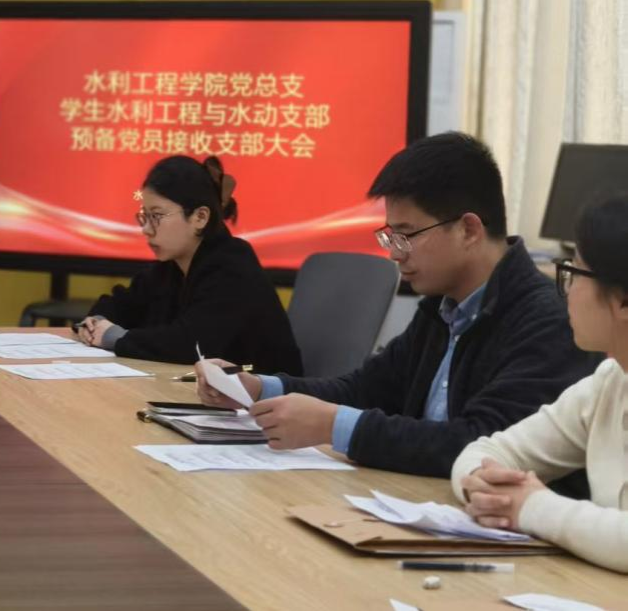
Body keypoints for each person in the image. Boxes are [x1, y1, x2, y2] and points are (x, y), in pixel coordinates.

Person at [196, 132, 597, 477]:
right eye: (390, 236)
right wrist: (259, 388)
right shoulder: (441, 308)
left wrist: (335, 426)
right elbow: (365, 389)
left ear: (469, 229)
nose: (394, 253)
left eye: (407, 234)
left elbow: (482, 443)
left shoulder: (547, 320)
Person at [451, 194, 628, 572]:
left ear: (624, 301)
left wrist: (532, 507)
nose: (566, 290)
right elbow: (486, 450)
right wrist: (481, 484)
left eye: (574, 273)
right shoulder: (609, 383)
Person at [76, 155, 303, 371]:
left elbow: (190, 344)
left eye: (157, 216)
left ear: (200, 217)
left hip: (259, 391)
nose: (146, 229)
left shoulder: (232, 266)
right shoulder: (171, 265)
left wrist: (116, 338)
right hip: (201, 388)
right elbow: (120, 304)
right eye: (145, 216)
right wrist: (96, 322)